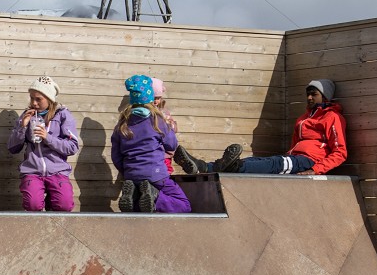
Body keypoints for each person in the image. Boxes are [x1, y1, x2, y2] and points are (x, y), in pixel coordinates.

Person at [203, 78, 348, 175]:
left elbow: (340, 153)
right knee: (256, 160)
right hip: (294, 158)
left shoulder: (332, 117)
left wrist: (315, 169)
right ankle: (207, 167)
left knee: (274, 163)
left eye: (314, 94)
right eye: (307, 94)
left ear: (325, 96)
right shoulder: (303, 119)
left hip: (310, 161)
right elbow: (295, 143)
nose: (309, 98)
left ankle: (234, 167)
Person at [111, 75, 192, 213]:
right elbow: (172, 145)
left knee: (141, 206)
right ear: (150, 99)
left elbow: (116, 156)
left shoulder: (122, 124)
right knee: (184, 205)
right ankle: (155, 198)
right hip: (156, 174)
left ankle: (136, 197)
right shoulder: (157, 121)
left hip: (131, 175)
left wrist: (127, 171)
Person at [7, 75, 80, 211]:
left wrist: (48, 138)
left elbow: (73, 147)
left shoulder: (63, 115)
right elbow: (12, 148)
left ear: (49, 99)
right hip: (32, 171)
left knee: (64, 206)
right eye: (32, 98)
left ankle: (52, 202)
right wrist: (22, 127)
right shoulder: (26, 115)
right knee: (33, 205)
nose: (34, 103)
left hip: (57, 171)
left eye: (38, 99)